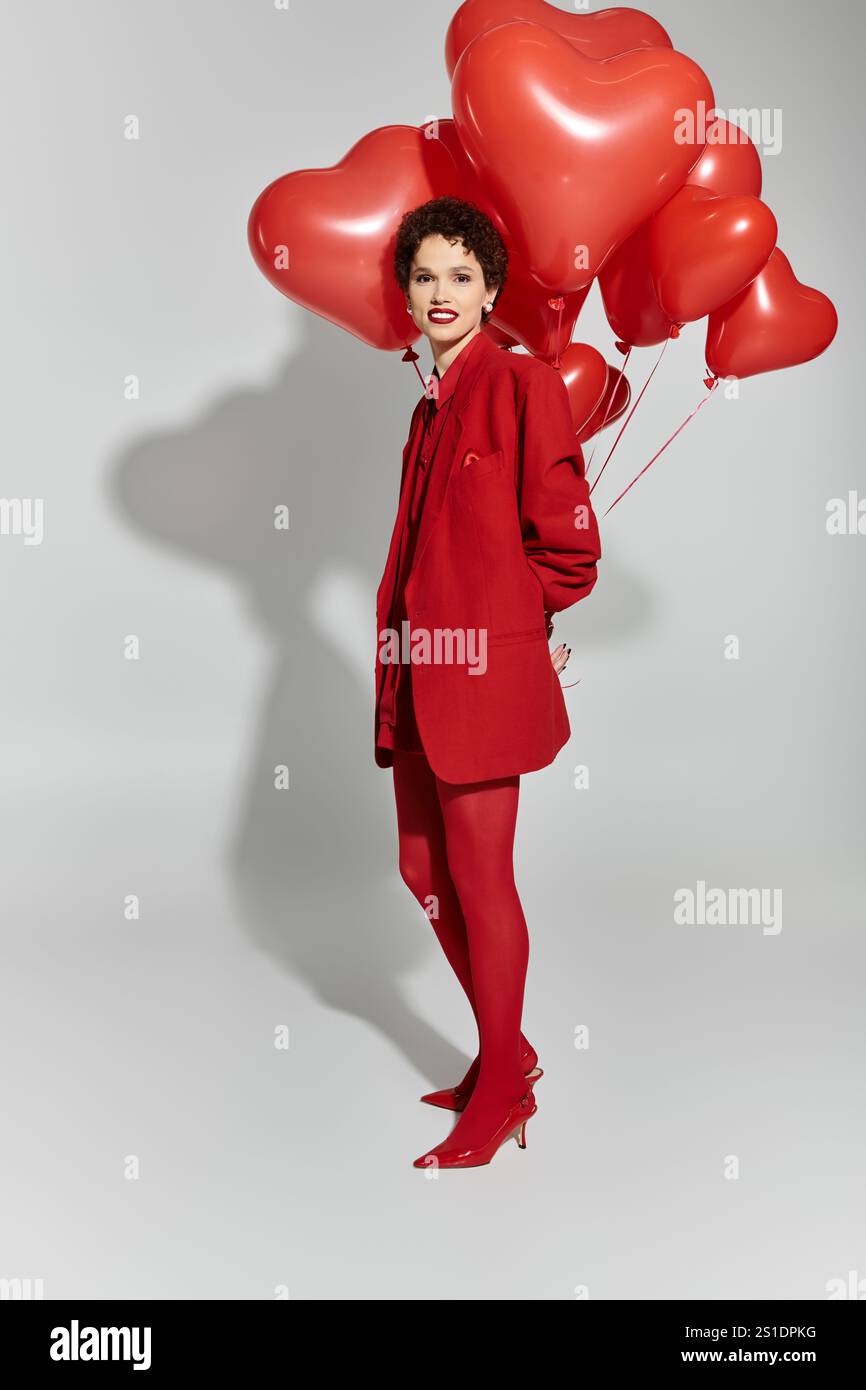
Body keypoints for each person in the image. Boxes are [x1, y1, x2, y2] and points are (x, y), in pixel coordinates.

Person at [374, 196, 601, 1168]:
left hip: (480, 677)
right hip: (416, 667)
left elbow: (568, 546)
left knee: (479, 877)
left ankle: (502, 1083)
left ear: (491, 290)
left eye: (459, 275)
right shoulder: (429, 400)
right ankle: (507, 1052)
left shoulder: (517, 384)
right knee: (421, 873)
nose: (439, 292)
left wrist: (521, 627)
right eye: (424, 275)